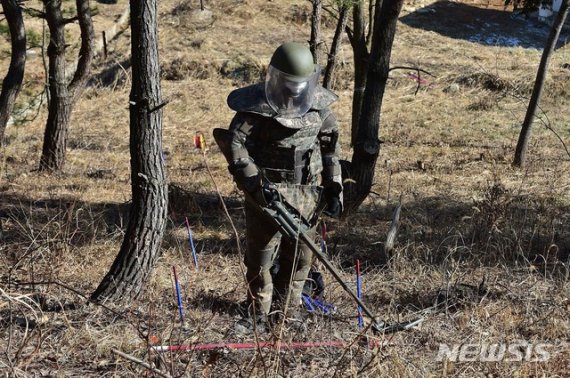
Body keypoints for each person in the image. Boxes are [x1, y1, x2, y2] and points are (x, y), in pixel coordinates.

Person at [217, 42, 343, 334]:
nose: (295, 90)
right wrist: (256, 184)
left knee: (299, 258)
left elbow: (330, 151)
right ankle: (257, 315)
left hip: (307, 198)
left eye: (301, 84)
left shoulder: (320, 111)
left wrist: (335, 186)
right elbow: (235, 146)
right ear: (275, 78)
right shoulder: (254, 111)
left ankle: (289, 312)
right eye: (289, 84)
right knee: (260, 258)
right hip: (265, 196)